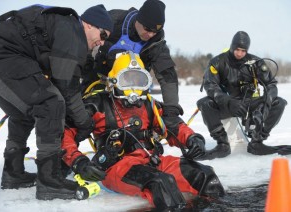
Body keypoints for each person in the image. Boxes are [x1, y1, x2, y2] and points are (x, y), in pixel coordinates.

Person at [62, 51, 225, 210]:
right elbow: (66, 133)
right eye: (127, 79)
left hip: (152, 159)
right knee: (160, 182)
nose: (134, 88)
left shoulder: (149, 104)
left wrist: (192, 138)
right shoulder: (96, 104)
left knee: (205, 175)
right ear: (114, 81)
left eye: (139, 80)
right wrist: (79, 162)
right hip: (117, 166)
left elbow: (171, 125)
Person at [0, 4, 113, 200]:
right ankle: (50, 180)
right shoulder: (73, 32)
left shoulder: (67, 28)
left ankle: (13, 174)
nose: (101, 42)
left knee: (22, 113)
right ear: (89, 25)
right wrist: (84, 122)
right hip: (1, 57)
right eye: (103, 35)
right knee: (50, 103)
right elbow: (66, 88)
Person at [81, 0, 184, 132]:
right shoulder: (113, 21)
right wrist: (86, 65)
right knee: (81, 111)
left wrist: (171, 111)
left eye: (155, 31)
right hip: (100, 75)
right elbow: (85, 37)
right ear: (138, 20)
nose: (151, 34)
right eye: (148, 29)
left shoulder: (156, 42)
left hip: (133, 88)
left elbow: (167, 75)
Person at [195, 31, 289, 160]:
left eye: (243, 51)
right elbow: (210, 86)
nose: (240, 53)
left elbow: (271, 84)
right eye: (237, 49)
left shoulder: (256, 62)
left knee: (280, 102)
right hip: (226, 104)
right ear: (232, 46)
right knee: (204, 103)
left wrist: (265, 106)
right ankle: (222, 144)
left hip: (249, 104)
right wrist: (228, 101)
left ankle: (257, 142)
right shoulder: (217, 62)